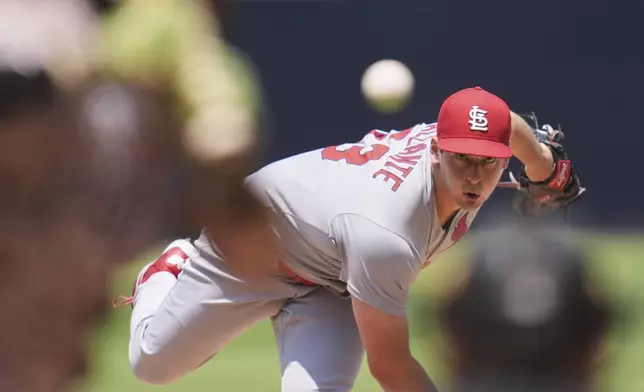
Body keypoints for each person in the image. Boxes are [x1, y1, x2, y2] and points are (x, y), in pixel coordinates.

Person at [116, 86, 584, 391]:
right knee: (152, 364)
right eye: (463, 158)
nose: (477, 174)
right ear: (436, 150)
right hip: (255, 246)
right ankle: (172, 265)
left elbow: (511, 124)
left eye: (489, 161)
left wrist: (543, 166)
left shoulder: (472, 157)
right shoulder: (388, 234)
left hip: (338, 275)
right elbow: (392, 367)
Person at [436, 223, 613, 392]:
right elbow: (596, 323)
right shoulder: (571, 257)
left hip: (484, 379)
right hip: (560, 380)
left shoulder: (480, 257)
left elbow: (451, 312)